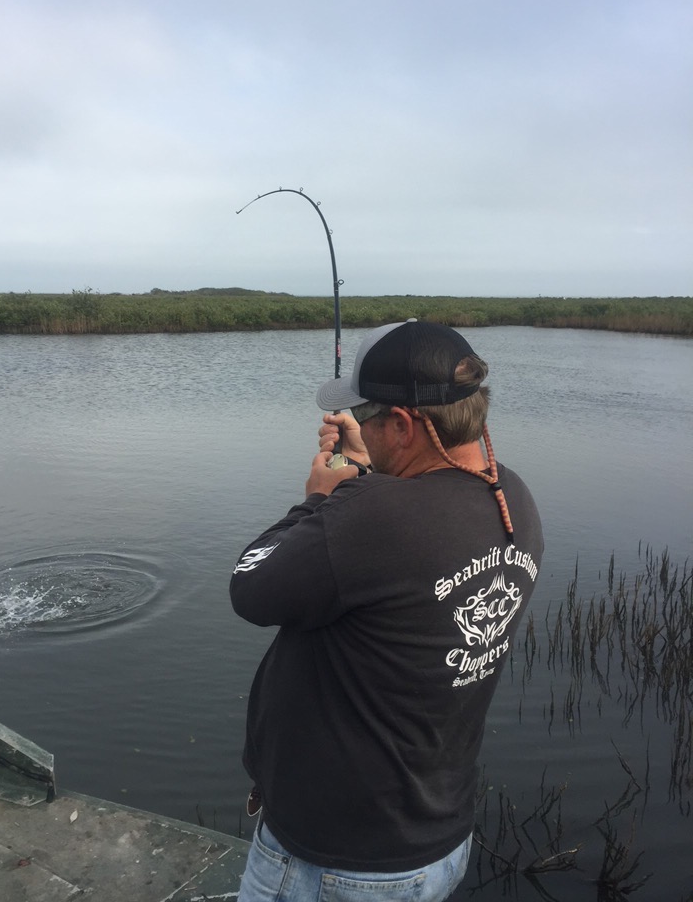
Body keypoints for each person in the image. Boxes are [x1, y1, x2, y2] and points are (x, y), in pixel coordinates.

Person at [230, 319, 544, 902]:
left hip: (335, 863)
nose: (362, 427)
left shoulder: (371, 517)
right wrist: (368, 472)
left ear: (402, 425)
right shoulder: (512, 496)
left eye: (368, 417)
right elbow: (414, 547)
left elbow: (249, 588)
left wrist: (318, 499)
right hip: (436, 842)